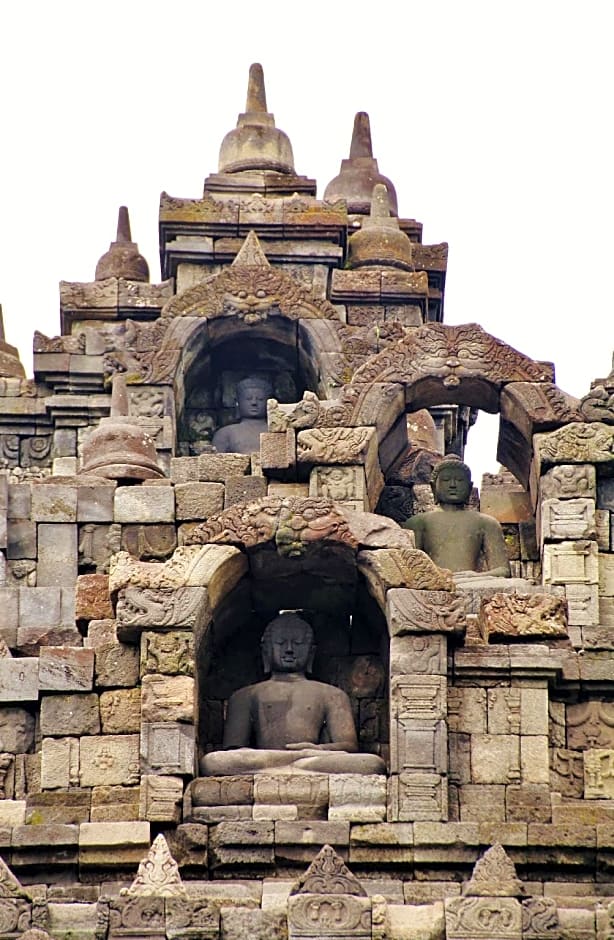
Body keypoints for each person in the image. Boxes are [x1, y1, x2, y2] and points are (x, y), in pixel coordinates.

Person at [196, 612, 385, 780]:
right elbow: (234, 750)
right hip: (264, 759)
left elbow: (349, 747)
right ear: (266, 650)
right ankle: (294, 765)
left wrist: (316, 751)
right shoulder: (245, 696)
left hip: (313, 759)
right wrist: (283, 756)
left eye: (298, 643)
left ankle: (294, 765)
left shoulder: (332, 695)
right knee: (213, 762)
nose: (289, 649)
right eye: (280, 643)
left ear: (311, 652)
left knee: (371, 764)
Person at [402, 455, 511, 579]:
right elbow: (409, 569)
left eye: (459, 480)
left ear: (470, 488)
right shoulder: (418, 522)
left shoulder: (487, 523)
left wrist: (475, 576)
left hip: (471, 582)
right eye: (446, 480)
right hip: (435, 584)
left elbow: (503, 570)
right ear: (433, 487)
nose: (453, 485)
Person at [211, 374, 272, 454]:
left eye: (260, 399)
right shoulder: (225, 433)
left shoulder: (275, 432)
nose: (254, 403)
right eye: (248, 399)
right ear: (238, 402)